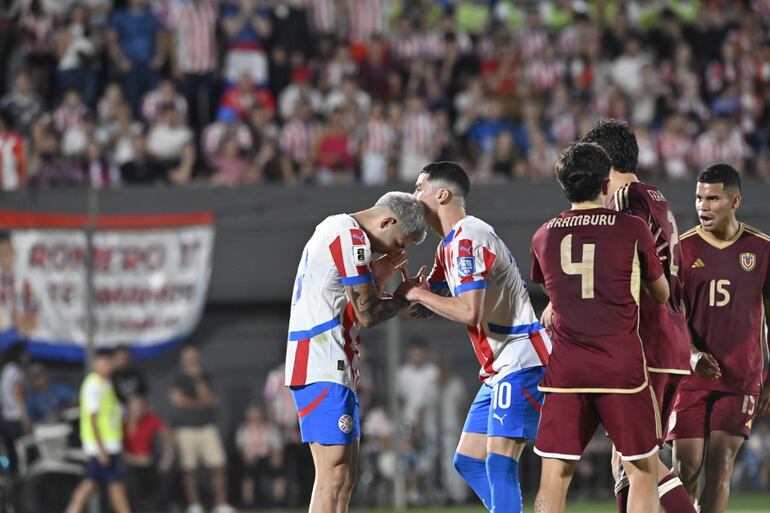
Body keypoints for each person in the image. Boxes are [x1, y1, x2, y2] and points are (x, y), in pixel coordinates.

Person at [529, 142, 669, 513]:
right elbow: (662, 292)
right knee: (642, 471)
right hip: (620, 366)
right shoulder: (631, 228)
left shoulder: (543, 235)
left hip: (567, 368)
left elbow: (553, 290)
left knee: (554, 476)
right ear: (606, 184)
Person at [405, 161, 551, 513]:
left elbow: (468, 311)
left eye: (419, 188)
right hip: (501, 366)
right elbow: (427, 302)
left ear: (442, 194)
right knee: (469, 460)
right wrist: (408, 292)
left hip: (520, 359)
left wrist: (420, 295)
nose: (413, 195)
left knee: (500, 461)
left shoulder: (467, 239)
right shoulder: (450, 245)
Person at [579, 119, 696, 513]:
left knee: (639, 460)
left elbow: (626, 268)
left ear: (603, 160)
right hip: (667, 337)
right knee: (626, 459)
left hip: (646, 342)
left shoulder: (626, 199)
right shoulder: (653, 195)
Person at [285, 191, 427, 513]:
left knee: (345, 477)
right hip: (321, 362)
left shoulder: (339, 231)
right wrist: (405, 299)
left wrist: (384, 274)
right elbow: (367, 313)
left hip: (332, 362)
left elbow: (344, 293)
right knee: (333, 475)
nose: (395, 250)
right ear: (387, 221)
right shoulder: (349, 235)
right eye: (398, 241)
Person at [668, 163, 770, 513]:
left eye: (713, 198)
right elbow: (672, 314)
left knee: (721, 463)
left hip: (741, 376)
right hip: (691, 375)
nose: (703, 206)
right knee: (686, 466)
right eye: (699, 198)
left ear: (735, 201)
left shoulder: (762, 249)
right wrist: (692, 353)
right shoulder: (683, 249)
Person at [65, 348, 132, 513]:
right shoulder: (93, 385)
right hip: (102, 446)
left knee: (93, 483)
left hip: (110, 444)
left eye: (109, 362)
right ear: (96, 363)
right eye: (104, 362)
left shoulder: (106, 383)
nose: (107, 366)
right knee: (113, 486)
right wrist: (101, 448)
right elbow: (92, 419)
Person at [169, 345, 235, 513]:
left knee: (218, 464)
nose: (191, 360)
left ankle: (221, 504)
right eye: (188, 357)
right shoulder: (179, 379)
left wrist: (197, 379)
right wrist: (200, 403)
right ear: (183, 359)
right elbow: (179, 401)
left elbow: (211, 400)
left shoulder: (205, 377)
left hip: (206, 426)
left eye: (194, 357)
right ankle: (194, 505)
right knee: (188, 468)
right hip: (186, 429)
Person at [123, 394, 174, 513]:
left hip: (150, 462)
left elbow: (169, 437)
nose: (137, 410)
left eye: (139, 407)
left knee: (162, 475)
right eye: (134, 408)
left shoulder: (151, 419)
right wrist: (134, 459)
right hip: (130, 464)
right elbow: (120, 450)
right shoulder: (124, 423)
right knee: (132, 477)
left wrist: (167, 459)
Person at [0, 342, 31, 475]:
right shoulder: (15, 371)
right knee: (19, 451)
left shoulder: (6, 370)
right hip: (14, 418)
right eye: (25, 354)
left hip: (6, 417)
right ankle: (18, 479)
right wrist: (25, 419)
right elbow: (18, 395)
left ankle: (12, 477)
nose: (27, 357)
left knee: (11, 452)